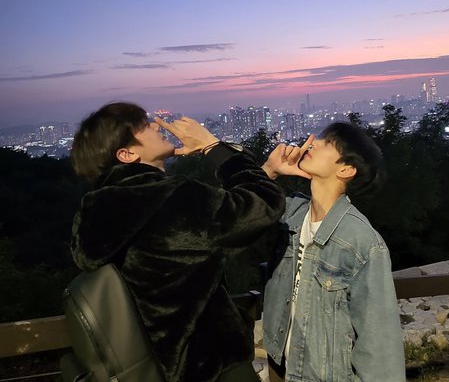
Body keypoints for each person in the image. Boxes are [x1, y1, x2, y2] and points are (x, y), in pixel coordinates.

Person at [70, 101, 286, 382]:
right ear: (127, 153)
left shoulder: (97, 210)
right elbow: (263, 205)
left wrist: (264, 171)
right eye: (143, 126)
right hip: (211, 364)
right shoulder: (168, 197)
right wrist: (213, 147)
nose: (155, 125)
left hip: (164, 364)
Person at [261, 122, 405, 382]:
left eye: (328, 143)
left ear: (346, 169)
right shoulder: (292, 214)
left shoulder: (361, 242)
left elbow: (379, 342)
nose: (313, 142)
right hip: (284, 368)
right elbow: (233, 215)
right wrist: (270, 170)